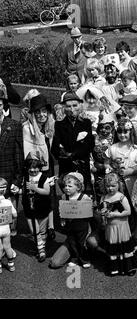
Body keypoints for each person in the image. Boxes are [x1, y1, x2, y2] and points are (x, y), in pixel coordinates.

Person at [22, 94, 57, 239]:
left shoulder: (50, 126)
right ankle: (38, 232)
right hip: (34, 168)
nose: (42, 115)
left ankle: (51, 227)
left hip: (48, 168)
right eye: (38, 112)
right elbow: (28, 151)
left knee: (50, 196)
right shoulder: (27, 128)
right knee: (35, 198)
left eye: (44, 111)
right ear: (33, 114)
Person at [51, 92, 94, 193]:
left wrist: (74, 154)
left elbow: (90, 144)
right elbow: (55, 147)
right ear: (64, 108)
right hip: (66, 166)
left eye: (75, 105)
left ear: (80, 106)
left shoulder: (86, 123)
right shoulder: (59, 125)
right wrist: (65, 155)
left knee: (83, 195)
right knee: (67, 194)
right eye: (68, 106)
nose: (72, 109)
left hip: (82, 166)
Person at [100, 172, 137, 276]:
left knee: (125, 247)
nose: (110, 189)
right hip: (110, 228)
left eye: (113, 186)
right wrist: (103, 216)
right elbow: (103, 210)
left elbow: (128, 211)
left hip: (122, 227)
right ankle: (115, 268)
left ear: (119, 185)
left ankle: (129, 268)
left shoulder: (122, 197)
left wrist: (115, 214)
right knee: (113, 247)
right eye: (108, 186)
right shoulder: (103, 198)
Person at [52, 172, 92, 269]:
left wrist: (90, 204)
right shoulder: (64, 197)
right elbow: (62, 210)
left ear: (78, 187)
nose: (66, 188)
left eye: (70, 186)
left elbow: (89, 212)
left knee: (81, 243)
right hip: (70, 226)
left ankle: (84, 259)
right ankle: (74, 258)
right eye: (65, 186)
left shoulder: (84, 197)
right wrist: (62, 219)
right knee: (72, 242)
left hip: (82, 226)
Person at [21, 153, 53, 262]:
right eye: (31, 169)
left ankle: (41, 249)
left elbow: (47, 191)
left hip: (42, 208)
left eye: (36, 169)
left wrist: (35, 188)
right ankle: (41, 249)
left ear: (40, 168)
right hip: (29, 208)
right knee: (34, 230)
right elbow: (23, 190)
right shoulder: (25, 177)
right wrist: (18, 191)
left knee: (42, 231)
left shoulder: (44, 178)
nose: (33, 171)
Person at [0, 89, 24, 201]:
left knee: (10, 217)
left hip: (8, 183)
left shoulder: (14, 126)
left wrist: (17, 182)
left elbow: (18, 156)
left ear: (3, 106)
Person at [0, 177, 17, 273]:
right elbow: (15, 215)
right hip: (6, 228)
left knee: (0, 248)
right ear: (5, 190)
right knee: (7, 246)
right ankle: (11, 265)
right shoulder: (8, 202)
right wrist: (11, 220)